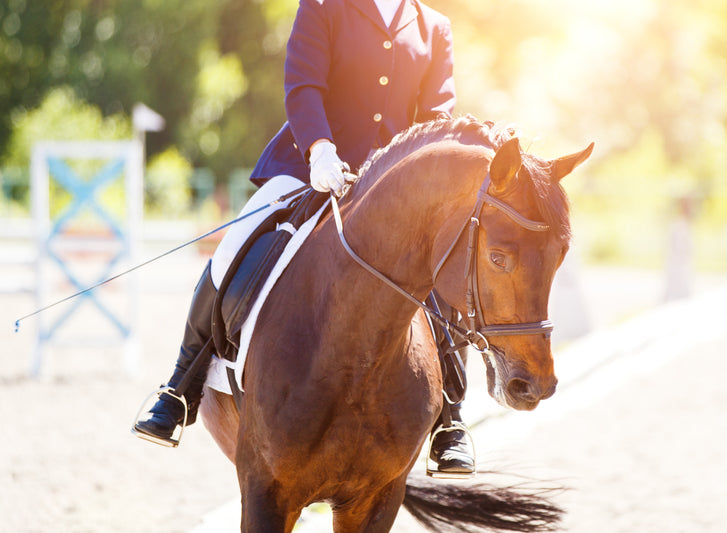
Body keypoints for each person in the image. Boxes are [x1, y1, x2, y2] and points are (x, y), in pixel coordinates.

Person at [133, 0, 474, 475]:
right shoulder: (323, 6)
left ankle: (450, 420)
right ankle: (179, 387)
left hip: (390, 194)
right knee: (236, 246)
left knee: (441, 274)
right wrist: (320, 149)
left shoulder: (434, 27)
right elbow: (304, 86)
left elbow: (437, 117)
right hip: (311, 166)